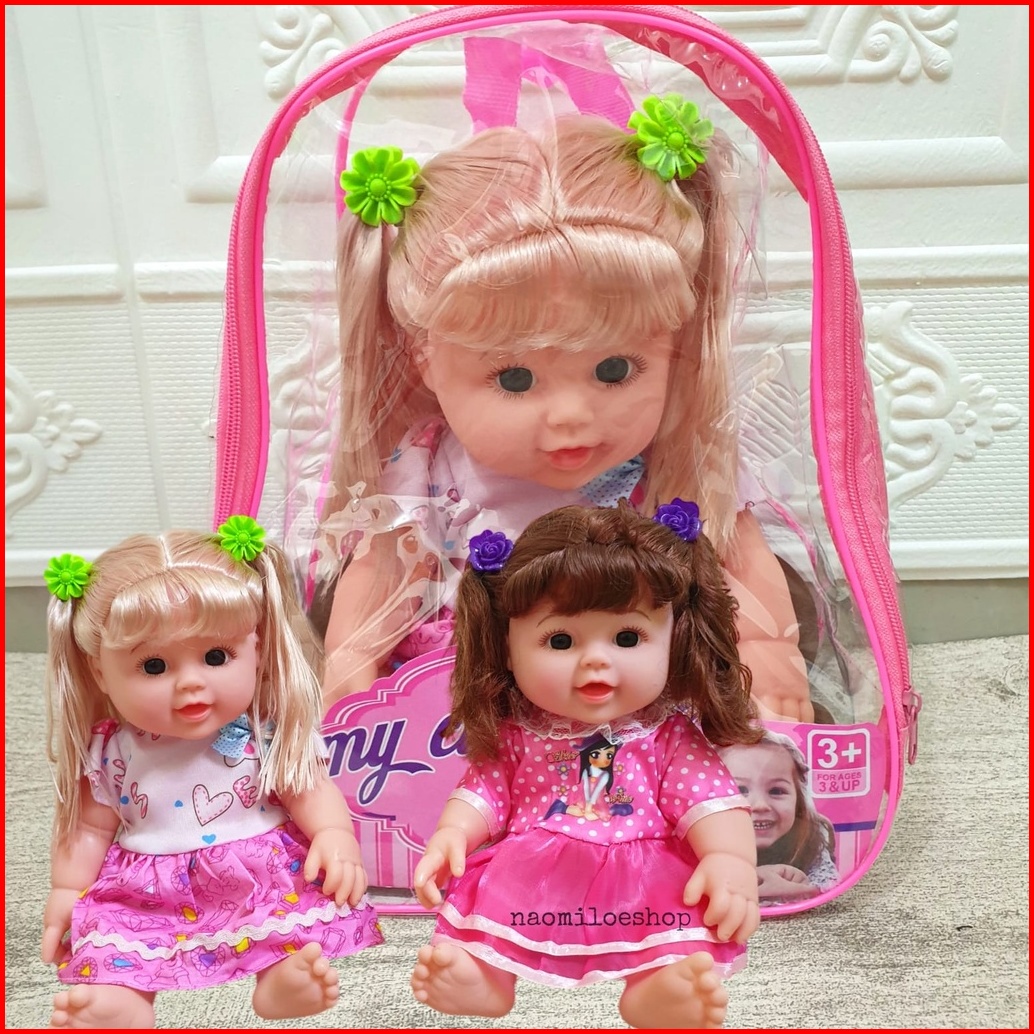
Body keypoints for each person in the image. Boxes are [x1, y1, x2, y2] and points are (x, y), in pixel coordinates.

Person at [314, 92, 813, 725]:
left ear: (676, 346)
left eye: (615, 370)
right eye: (515, 378)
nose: (571, 416)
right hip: (481, 696)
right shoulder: (431, 470)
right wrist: (350, 672)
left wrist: (767, 649)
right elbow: (380, 578)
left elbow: (738, 556)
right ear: (423, 359)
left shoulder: (672, 462)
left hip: (642, 688)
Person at [409, 499, 762, 1028]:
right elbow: (486, 790)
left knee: (670, 933)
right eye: (560, 640)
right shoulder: (519, 731)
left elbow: (710, 800)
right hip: (534, 873)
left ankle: (657, 991)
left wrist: (730, 860)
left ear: (675, 639)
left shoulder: (665, 734)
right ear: (507, 647)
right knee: (492, 920)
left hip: (642, 877)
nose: (596, 659)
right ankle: (483, 981)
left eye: (627, 638)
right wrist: (453, 834)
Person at [41, 517, 383, 1029]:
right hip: (147, 887)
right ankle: (121, 1002)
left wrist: (334, 834)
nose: (191, 684)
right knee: (119, 936)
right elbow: (90, 827)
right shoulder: (111, 750)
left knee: (280, 923)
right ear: (99, 672)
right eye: (154, 666)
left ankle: (282, 980)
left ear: (257, 650)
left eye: (216, 656)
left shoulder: (263, 732)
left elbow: (307, 787)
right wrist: (66, 891)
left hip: (255, 873)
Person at [720, 731, 839, 904]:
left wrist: (796, 890)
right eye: (740, 790)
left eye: (776, 791)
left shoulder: (811, 838)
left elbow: (828, 887)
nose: (760, 805)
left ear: (798, 802)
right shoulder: (697, 841)